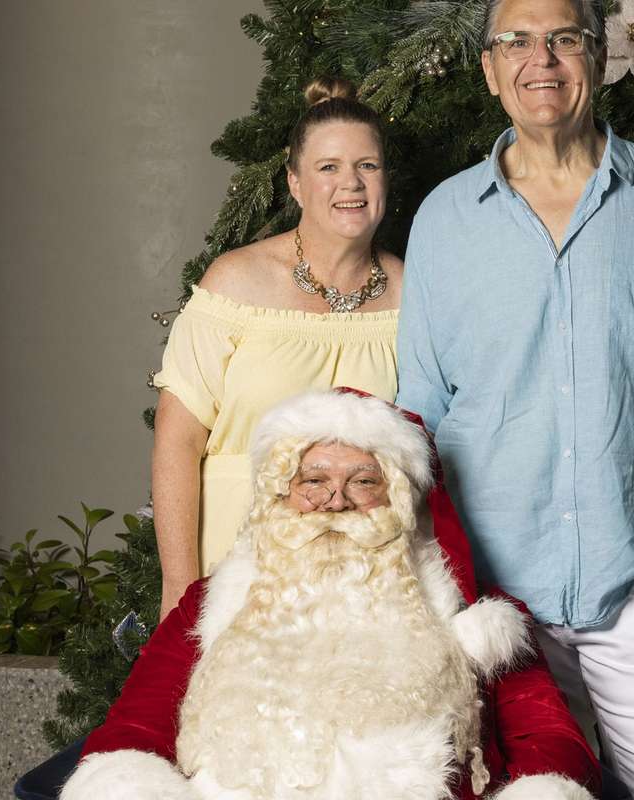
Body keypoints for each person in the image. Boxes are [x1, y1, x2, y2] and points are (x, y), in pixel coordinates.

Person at [396, 1, 634, 798]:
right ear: (490, 70)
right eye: (517, 42)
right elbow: (419, 412)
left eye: (565, 39)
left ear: (598, 59)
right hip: (495, 604)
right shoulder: (443, 219)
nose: (542, 60)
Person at [62, 390, 600, 800]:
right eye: (313, 481)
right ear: (282, 494)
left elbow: (548, 736)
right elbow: (138, 721)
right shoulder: (210, 603)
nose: (335, 502)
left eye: (364, 482)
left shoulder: (472, 612)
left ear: (400, 498)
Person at [152, 76, 405, 619]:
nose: (351, 183)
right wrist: (179, 586)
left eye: (367, 165)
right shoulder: (236, 282)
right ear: (295, 182)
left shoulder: (414, 294)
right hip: (234, 567)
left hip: (362, 583)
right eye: (328, 167)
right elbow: (177, 442)